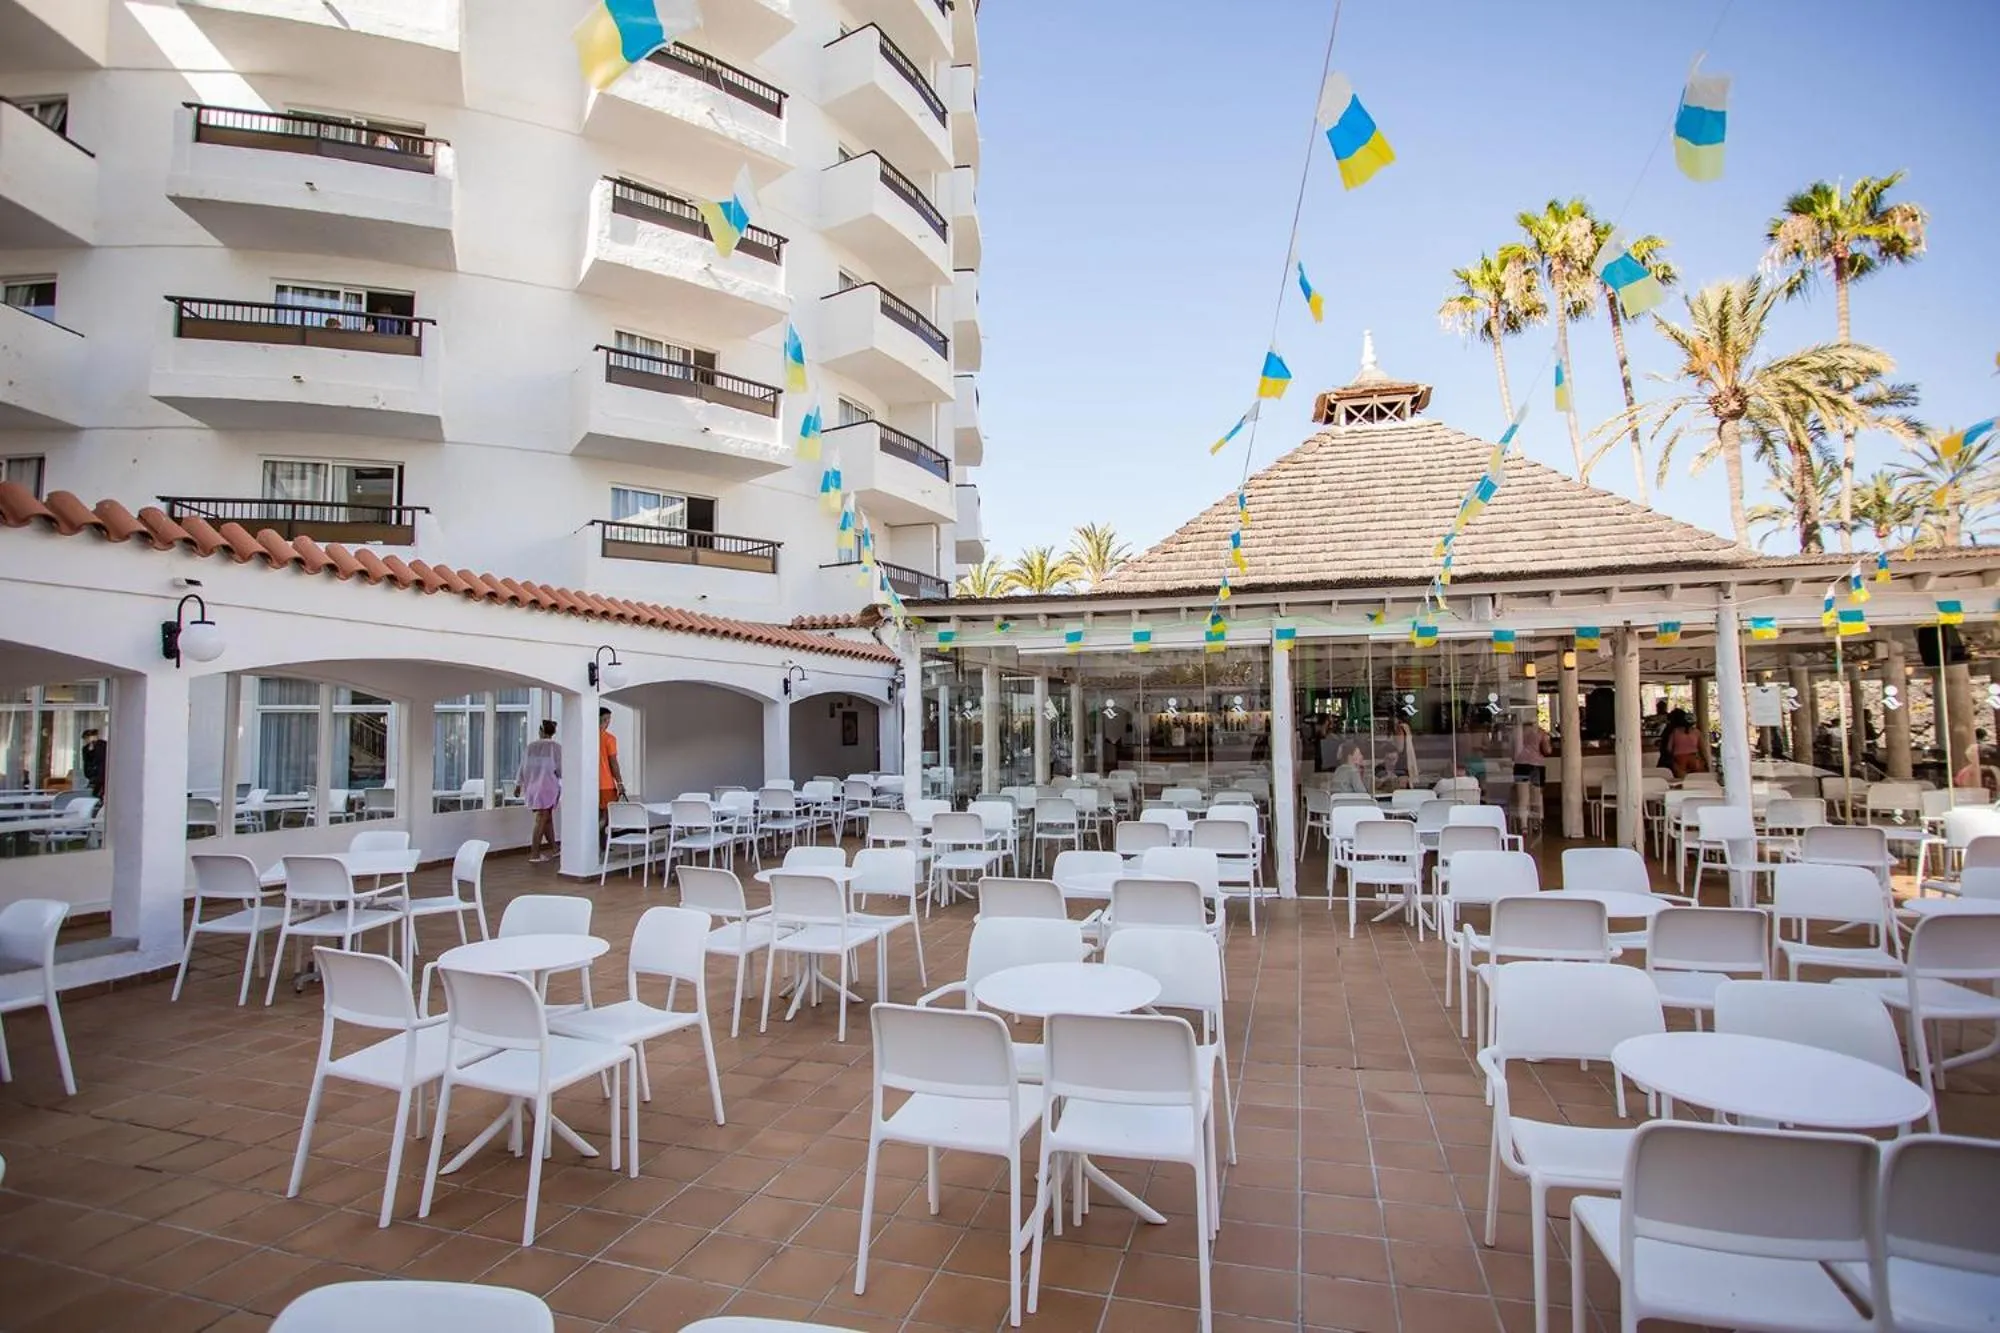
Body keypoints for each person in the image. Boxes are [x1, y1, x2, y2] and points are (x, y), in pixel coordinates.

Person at [516, 719, 561, 863]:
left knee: (546, 818)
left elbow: (523, 766)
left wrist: (518, 784)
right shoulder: (556, 747)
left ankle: (553, 849)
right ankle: (535, 854)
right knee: (542, 818)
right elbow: (560, 769)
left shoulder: (531, 747)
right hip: (548, 787)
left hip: (532, 787)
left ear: (541, 731)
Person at [597, 707, 625, 842]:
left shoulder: (587, 736)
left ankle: (601, 845)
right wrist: (619, 782)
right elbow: (613, 762)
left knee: (596, 815)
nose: (608, 722)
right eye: (607, 719)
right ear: (604, 719)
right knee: (606, 817)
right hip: (606, 784)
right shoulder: (609, 738)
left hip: (590, 784)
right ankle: (591, 839)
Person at [1512, 720, 1551, 786]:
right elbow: (1547, 750)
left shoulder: (1516, 732)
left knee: (1522, 789)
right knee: (1536, 790)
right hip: (1536, 764)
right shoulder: (1540, 732)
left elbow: (1512, 749)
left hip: (1520, 764)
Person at [80, 729, 106, 801]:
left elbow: (101, 758)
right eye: (86, 739)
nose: (87, 740)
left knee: (98, 794)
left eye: (88, 737)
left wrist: (95, 746)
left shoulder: (103, 745)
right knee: (92, 794)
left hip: (101, 775)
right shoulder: (85, 748)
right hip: (92, 775)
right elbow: (86, 761)